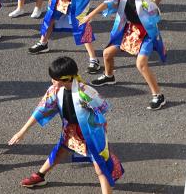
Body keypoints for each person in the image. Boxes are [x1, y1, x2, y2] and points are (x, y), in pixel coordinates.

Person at [8, 56, 124, 193]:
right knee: (60, 149)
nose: (52, 81)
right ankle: (40, 175)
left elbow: (103, 108)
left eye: (54, 78)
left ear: (66, 79)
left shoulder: (85, 92)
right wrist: (22, 131)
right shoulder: (55, 90)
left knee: (100, 166)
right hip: (70, 129)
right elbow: (40, 109)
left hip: (90, 134)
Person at [82, 0, 167, 110]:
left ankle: (158, 95)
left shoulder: (145, 2)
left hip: (145, 34)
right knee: (107, 53)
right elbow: (107, 2)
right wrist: (90, 15)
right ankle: (109, 76)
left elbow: (156, 18)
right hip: (129, 30)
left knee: (141, 64)